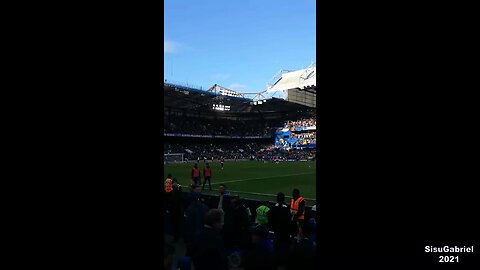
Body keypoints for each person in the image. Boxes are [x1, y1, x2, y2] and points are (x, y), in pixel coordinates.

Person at [267, 192, 291, 267]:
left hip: (277, 231)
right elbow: (289, 219)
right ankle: (284, 263)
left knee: (276, 247)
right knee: (286, 247)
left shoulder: (274, 207)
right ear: (283, 199)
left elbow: (269, 215)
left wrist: (273, 225)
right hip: (285, 232)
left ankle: (275, 263)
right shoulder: (286, 207)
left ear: (277, 199)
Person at [184, 191, 209, 257]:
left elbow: (188, 225)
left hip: (192, 236)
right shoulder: (205, 207)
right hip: (202, 235)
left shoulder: (189, 209)